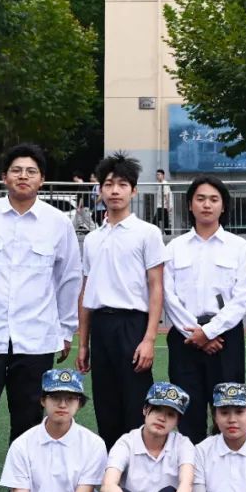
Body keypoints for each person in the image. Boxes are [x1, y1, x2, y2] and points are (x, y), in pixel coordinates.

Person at [0, 142, 81, 481]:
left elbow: (69, 279)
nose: (23, 176)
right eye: (17, 170)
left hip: (35, 339)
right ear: (4, 177)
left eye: (31, 171)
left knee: (29, 423)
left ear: (42, 179)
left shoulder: (58, 223)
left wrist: (65, 330)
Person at [76, 152, 168, 450]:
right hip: (101, 326)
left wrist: (149, 339)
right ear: (100, 190)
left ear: (134, 191)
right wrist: (83, 343)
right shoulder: (92, 238)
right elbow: (86, 291)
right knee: (106, 405)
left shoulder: (147, 233)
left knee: (136, 405)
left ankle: (139, 471)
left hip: (132, 326)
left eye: (122, 184)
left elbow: (156, 287)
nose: (115, 191)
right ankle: (111, 472)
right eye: (108, 184)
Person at [164, 176, 246, 442]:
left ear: (223, 206)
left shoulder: (239, 247)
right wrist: (196, 334)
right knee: (188, 412)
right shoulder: (174, 248)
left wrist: (210, 332)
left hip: (226, 339)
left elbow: (242, 298)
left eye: (214, 199)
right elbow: (168, 296)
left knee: (228, 410)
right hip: (184, 338)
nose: (207, 205)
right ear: (189, 204)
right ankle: (190, 466)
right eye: (200, 199)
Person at [155, 168, 173, 234]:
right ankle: (169, 236)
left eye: (159, 174)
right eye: (157, 175)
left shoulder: (164, 183)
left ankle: (157, 234)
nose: (157, 176)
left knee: (155, 221)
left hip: (163, 207)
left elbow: (166, 195)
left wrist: (168, 207)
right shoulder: (160, 184)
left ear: (163, 175)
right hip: (162, 207)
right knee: (166, 224)